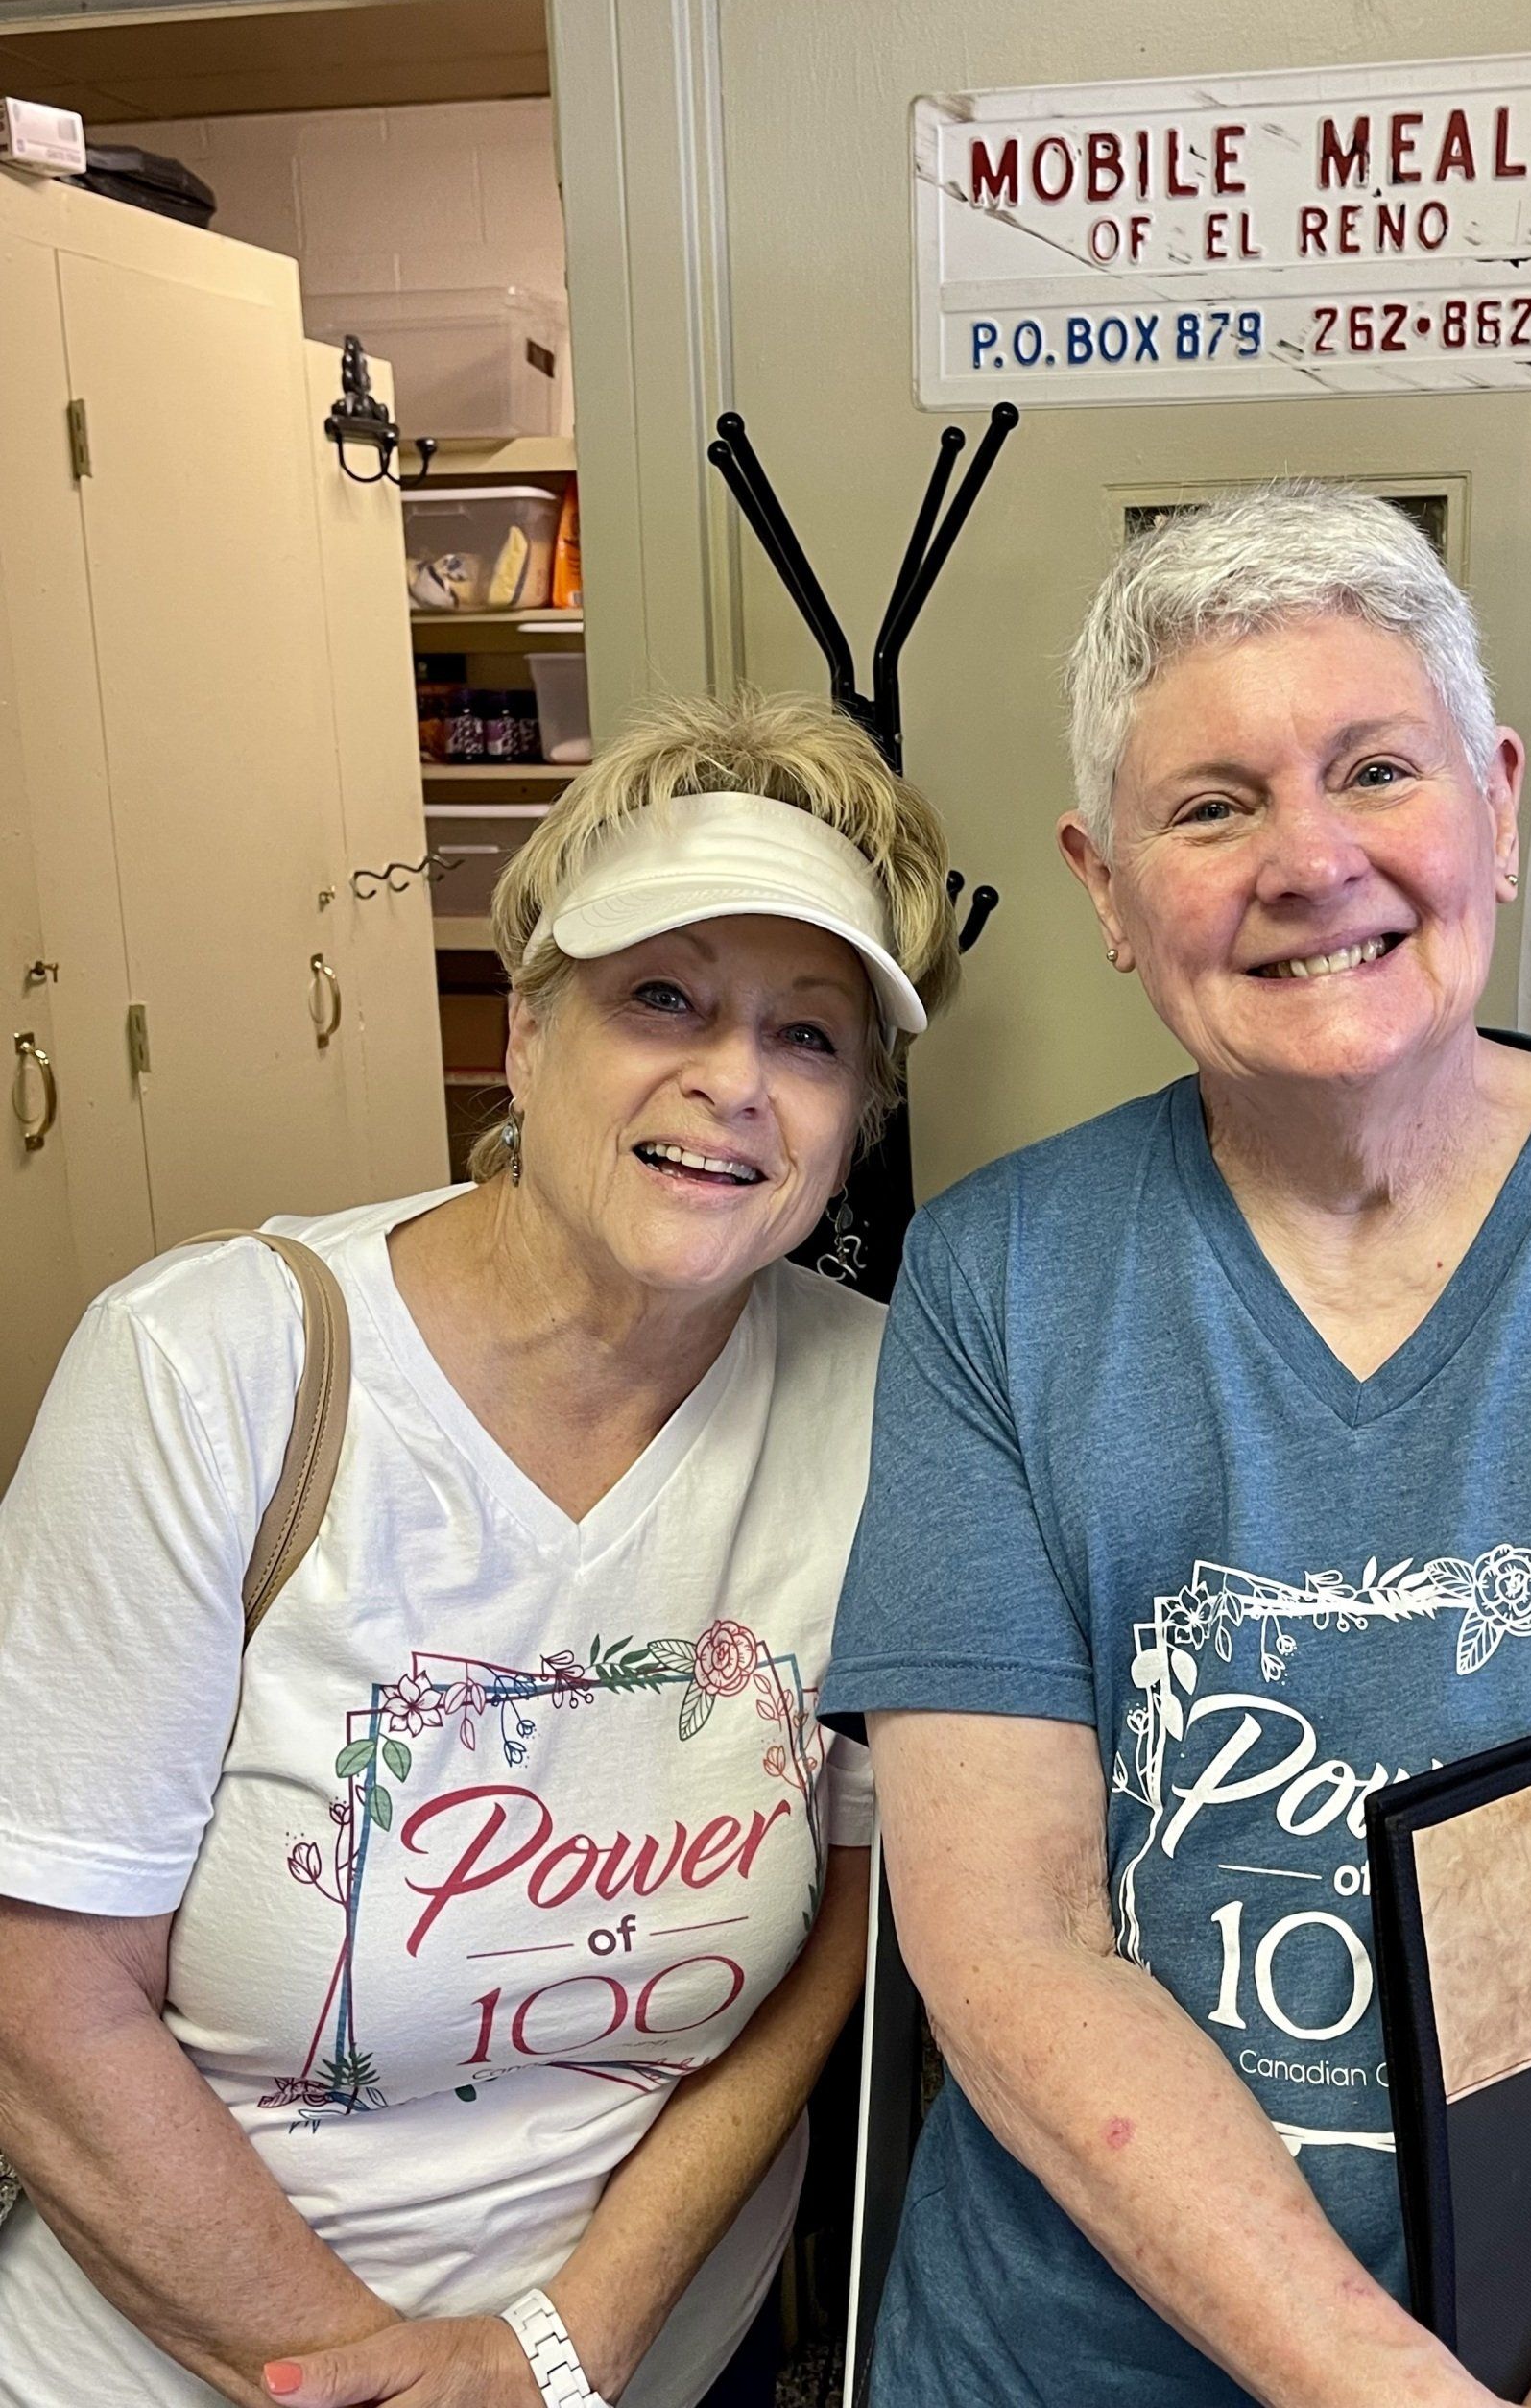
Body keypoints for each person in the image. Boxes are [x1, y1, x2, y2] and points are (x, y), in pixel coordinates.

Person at [822, 485, 1531, 2408]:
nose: (1310, 858)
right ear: (1106, 888)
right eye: (1210, 806)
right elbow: (1012, 1933)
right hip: (1094, 2347)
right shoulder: (999, 1278)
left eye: (1377, 769)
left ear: (1501, 804)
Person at [0, 688, 959, 2408]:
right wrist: (375, 2376)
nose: (731, 1080)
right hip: (173, 2362)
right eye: (660, 995)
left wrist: (564, 2345)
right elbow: (43, 2008)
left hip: (654, 2350)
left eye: (809, 1037)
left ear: (856, 1117)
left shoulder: (883, 1408)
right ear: (525, 1038)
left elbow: (848, 1908)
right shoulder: (211, 1369)